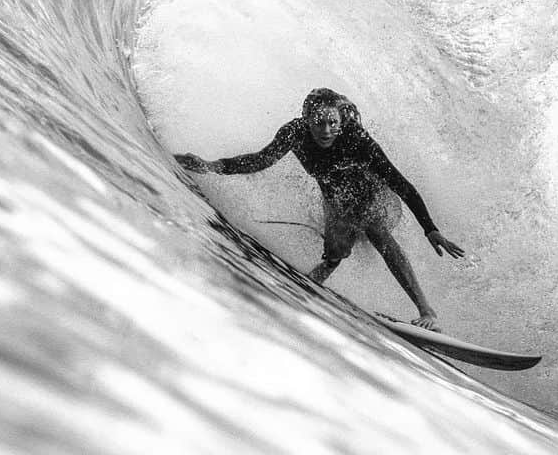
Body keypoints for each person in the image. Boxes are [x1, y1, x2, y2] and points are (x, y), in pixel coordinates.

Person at [175, 87, 464, 330]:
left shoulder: (357, 139)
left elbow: (401, 183)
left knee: (375, 230)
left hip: (380, 198)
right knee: (335, 253)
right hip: (338, 202)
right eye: (318, 123)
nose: (325, 130)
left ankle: (427, 311)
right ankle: (308, 286)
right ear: (306, 119)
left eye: (332, 123)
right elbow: (260, 160)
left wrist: (431, 229)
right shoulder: (294, 133)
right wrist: (213, 166)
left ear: (341, 121)